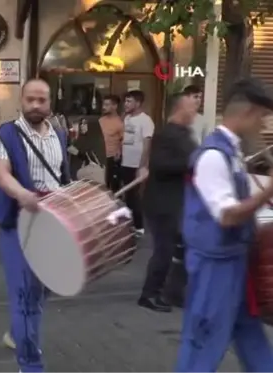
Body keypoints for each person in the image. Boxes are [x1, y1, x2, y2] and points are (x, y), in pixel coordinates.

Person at [176, 78, 273, 372]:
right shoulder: (213, 157)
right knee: (202, 344)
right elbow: (227, 215)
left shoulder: (231, 153)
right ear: (247, 113)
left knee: (250, 336)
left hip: (233, 261)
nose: (263, 126)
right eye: (262, 117)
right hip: (213, 267)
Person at [0, 79, 70, 373]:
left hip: (52, 224)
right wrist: (22, 194)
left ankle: (16, 332)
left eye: (42, 100)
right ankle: (30, 364)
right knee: (25, 294)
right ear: (21, 102)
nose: (36, 105)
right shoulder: (6, 134)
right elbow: (2, 174)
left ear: (50, 103)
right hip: (18, 223)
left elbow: (62, 177)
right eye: (30, 100)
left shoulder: (58, 135)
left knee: (43, 288)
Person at [137, 93, 197, 313]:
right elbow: (160, 165)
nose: (194, 113)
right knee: (164, 250)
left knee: (183, 248)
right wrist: (191, 163)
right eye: (191, 108)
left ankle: (174, 291)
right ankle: (149, 294)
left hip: (178, 201)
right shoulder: (166, 134)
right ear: (180, 109)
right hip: (162, 203)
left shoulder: (185, 134)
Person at [121, 90, 154, 235]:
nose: (125, 104)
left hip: (137, 164)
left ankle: (140, 227)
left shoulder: (145, 120)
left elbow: (147, 143)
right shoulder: (126, 118)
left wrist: (143, 165)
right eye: (125, 101)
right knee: (128, 195)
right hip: (125, 162)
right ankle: (131, 225)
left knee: (135, 196)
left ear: (138, 103)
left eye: (129, 101)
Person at [99, 95, 124, 192]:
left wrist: (119, 150)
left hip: (113, 159)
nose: (103, 107)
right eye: (103, 104)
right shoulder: (100, 121)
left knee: (113, 187)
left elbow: (123, 140)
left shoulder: (120, 122)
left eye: (107, 104)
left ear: (115, 106)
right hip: (100, 158)